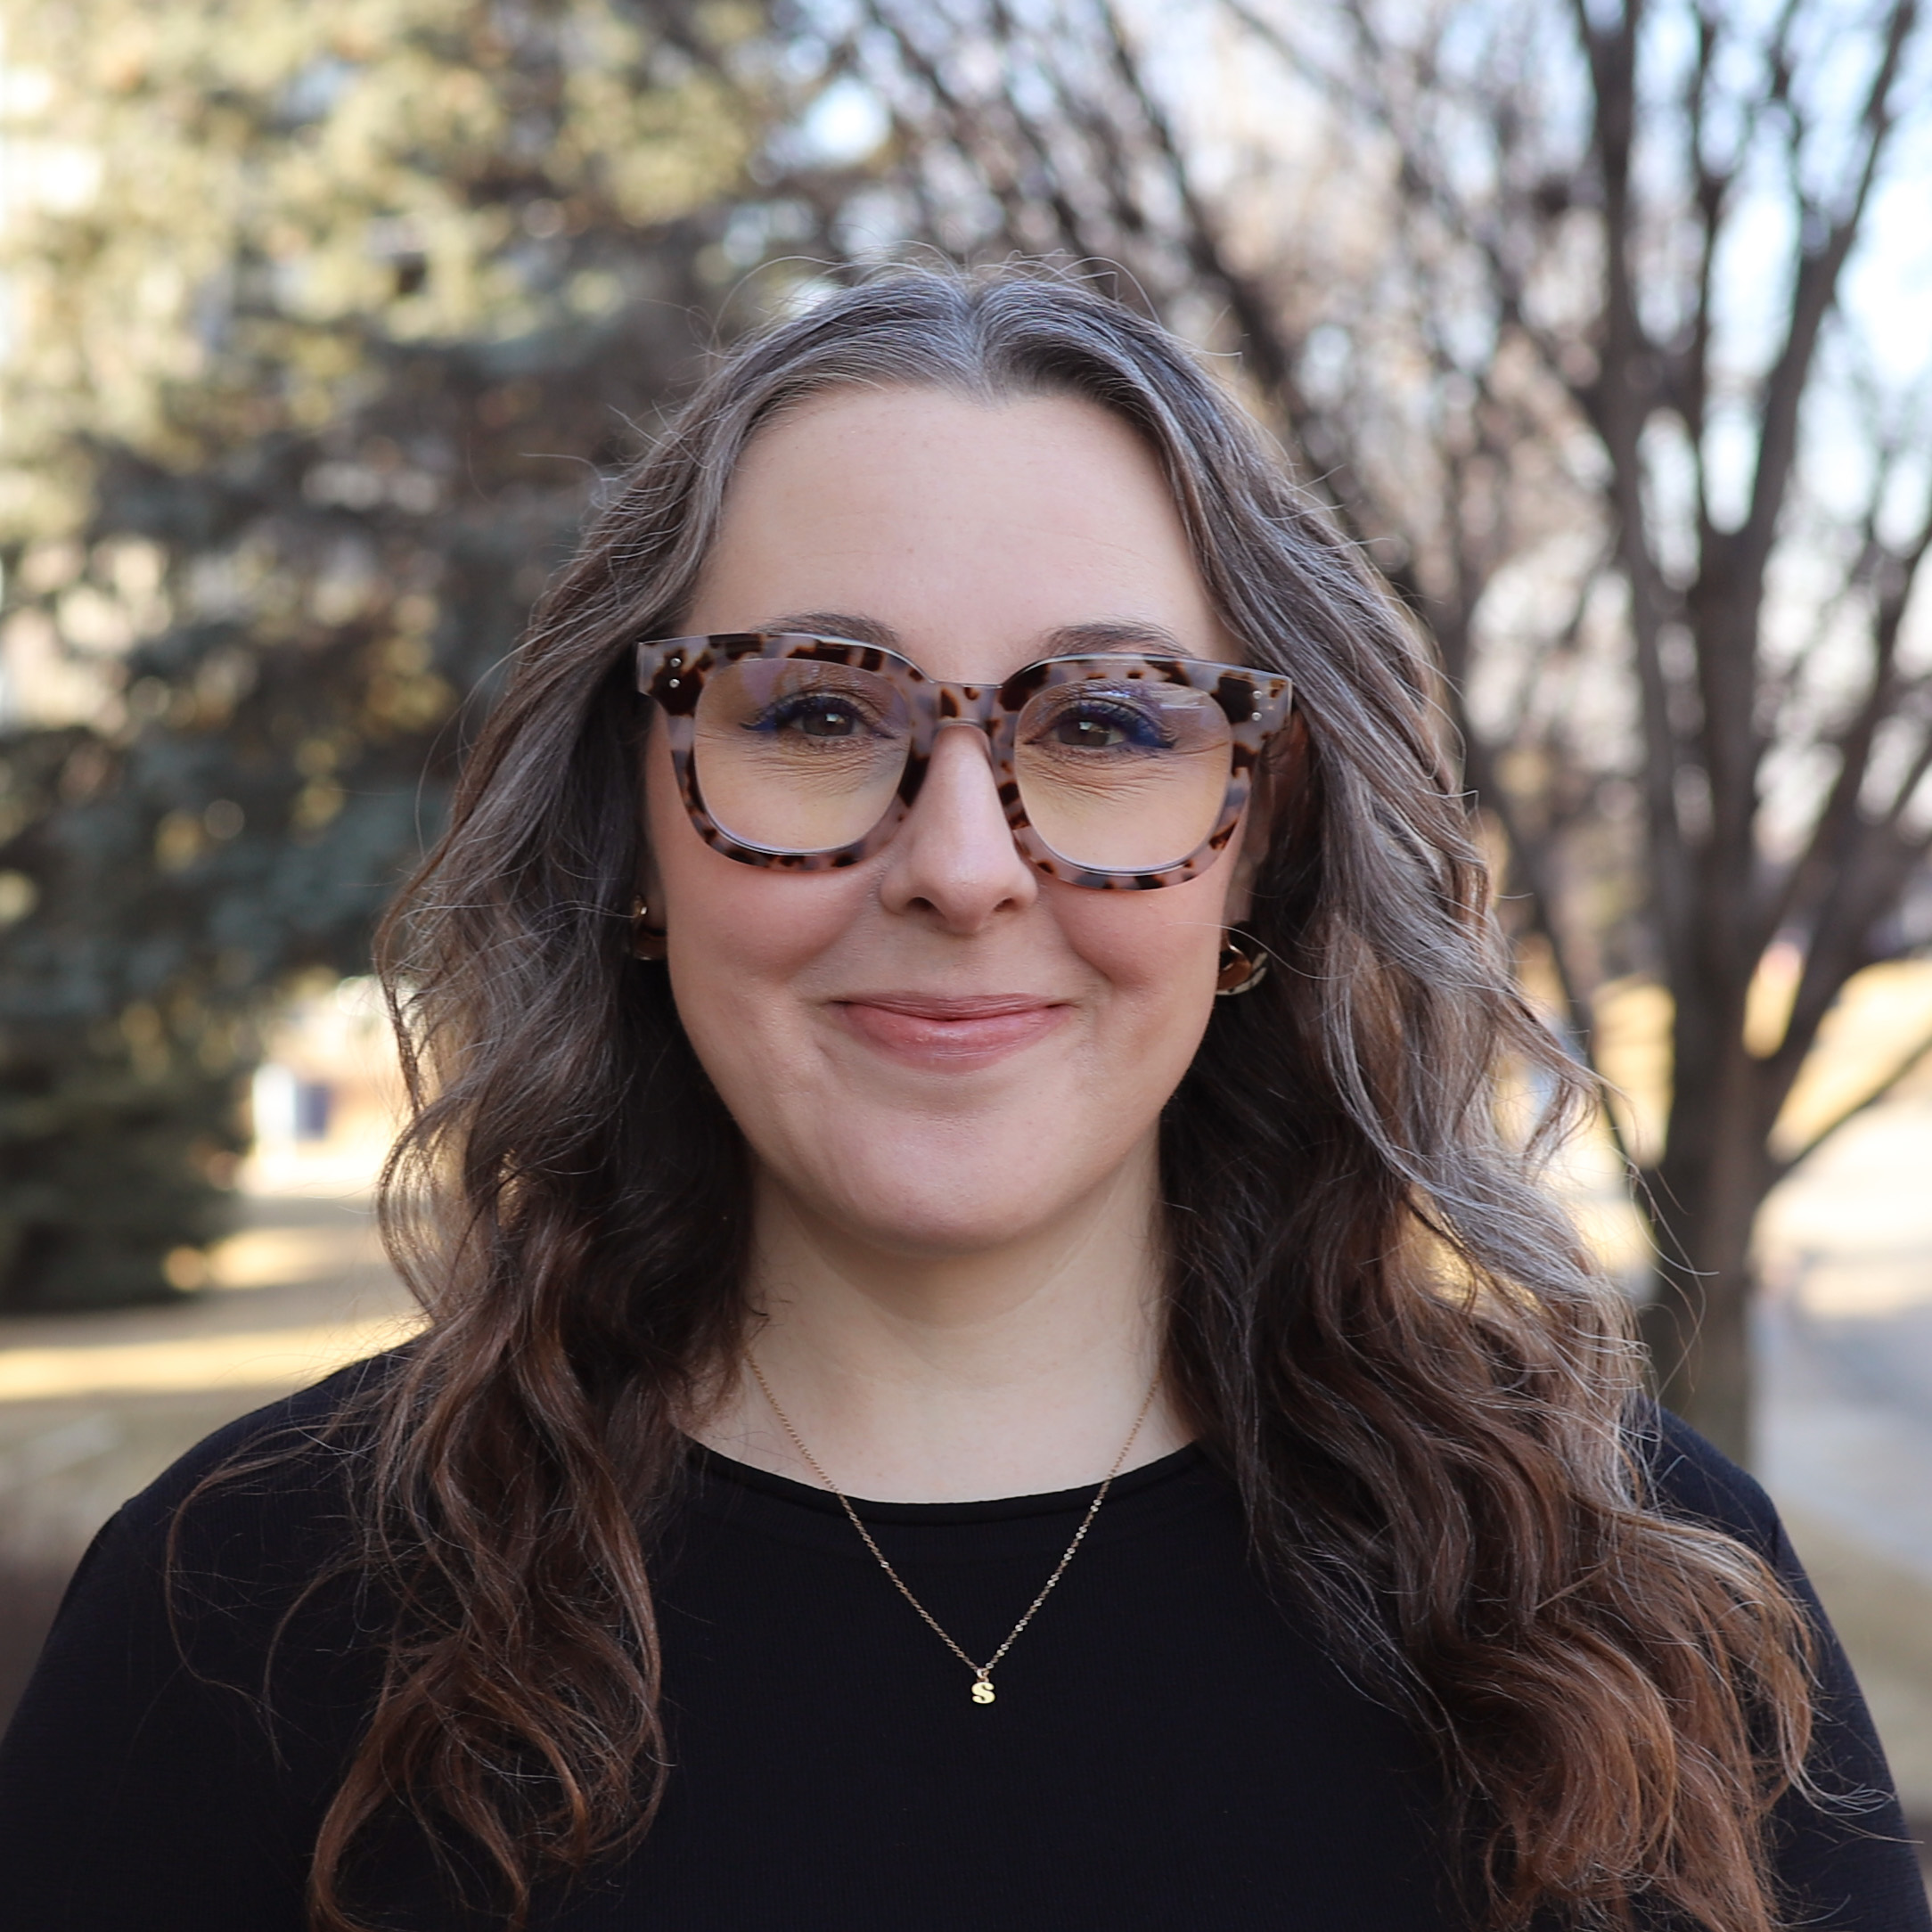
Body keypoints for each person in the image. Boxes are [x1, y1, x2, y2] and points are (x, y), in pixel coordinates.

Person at [0, 266, 1925, 1932]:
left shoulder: (1646, 1609)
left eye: (1103, 725)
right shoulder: (245, 1615)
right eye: (818, 712)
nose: (959, 865)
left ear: (1262, 849)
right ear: (635, 833)